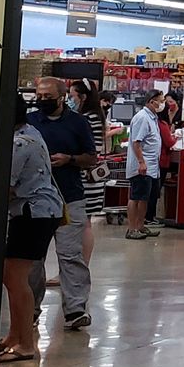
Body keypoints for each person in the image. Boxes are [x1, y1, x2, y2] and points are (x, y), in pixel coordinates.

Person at [24, 77, 95, 331]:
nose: (42, 99)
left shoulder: (78, 123)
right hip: (34, 199)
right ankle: (29, 309)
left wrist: (70, 159)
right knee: (32, 259)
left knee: (70, 255)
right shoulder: (30, 122)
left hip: (69, 197)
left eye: (48, 95)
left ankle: (76, 309)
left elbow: (91, 158)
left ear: (62, 96)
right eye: (39, 95)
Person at [0, 123, 62, 363]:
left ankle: (26, 344)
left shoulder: (19, 143)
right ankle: (14, 336)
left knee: (16, 279)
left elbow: (6, 186)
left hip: (34, 213)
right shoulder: (32, 132)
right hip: (36, 212)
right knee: (11, 277)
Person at [125, 90, 167, 240]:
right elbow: (137, 142)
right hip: (142, 166)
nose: (163, 104)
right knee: (136, 197)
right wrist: (141, 162)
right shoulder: (142, 118)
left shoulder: (153, 117)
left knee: (145, 198)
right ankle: (131, 229)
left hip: (152, 166)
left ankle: (140, 226)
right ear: (151, 101)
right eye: (161, 101)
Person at [80, 89, 117, 254]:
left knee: (80, 225)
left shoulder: (88, 118)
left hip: (85, 177)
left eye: (72, 96)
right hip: (94, 176)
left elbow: (90, 147)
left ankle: (77, 268)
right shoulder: (99, 116)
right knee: (85, 223)